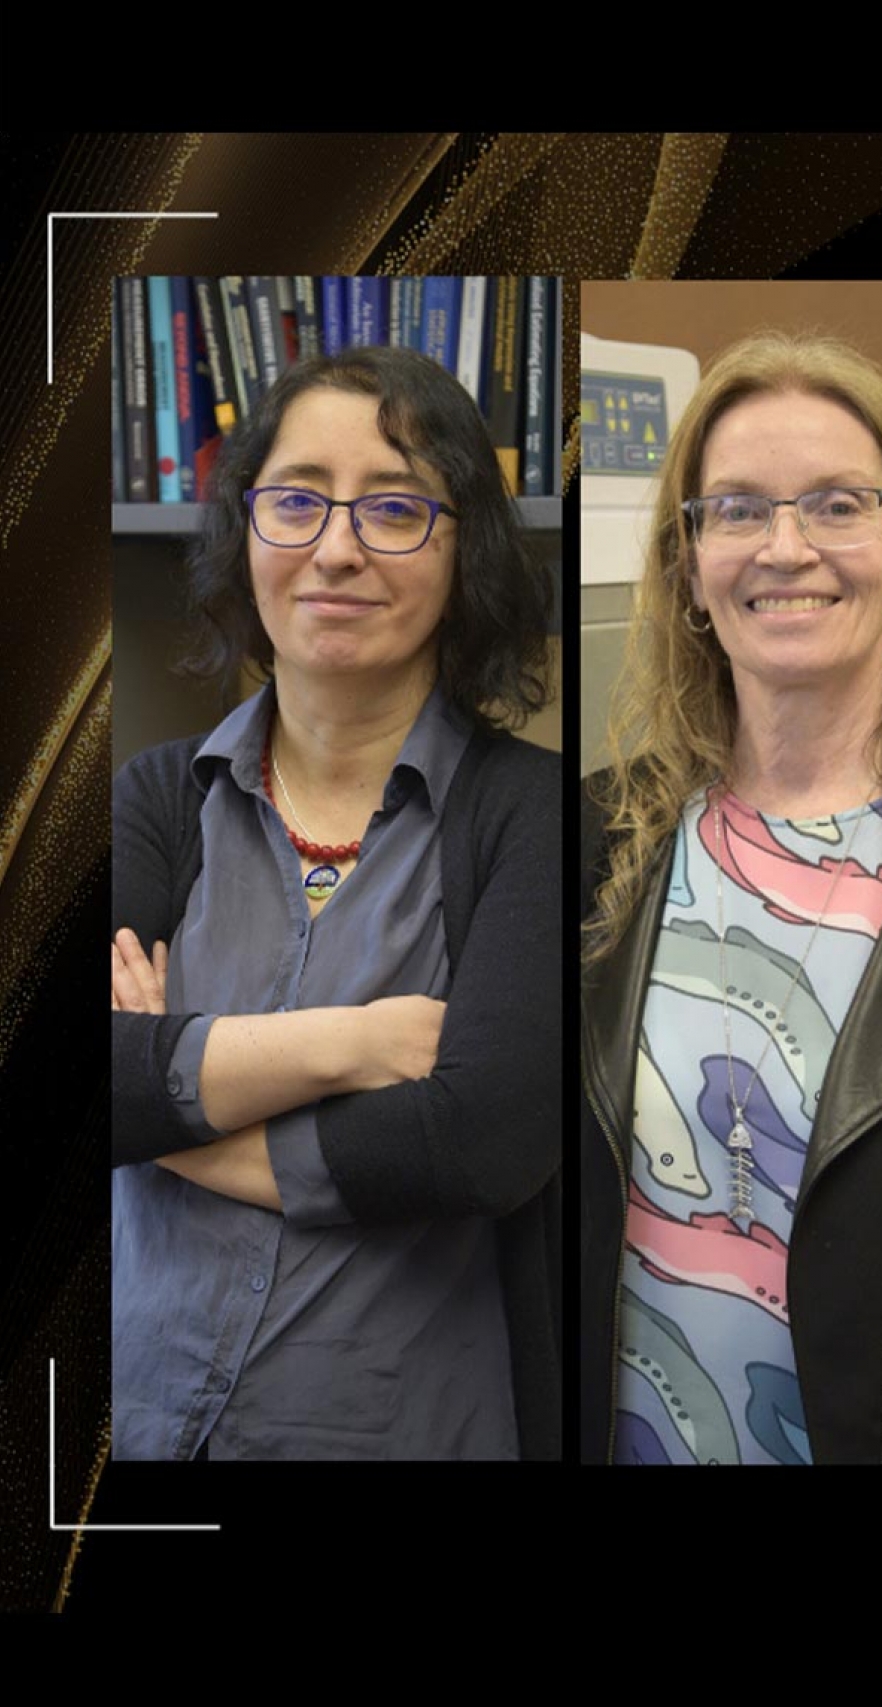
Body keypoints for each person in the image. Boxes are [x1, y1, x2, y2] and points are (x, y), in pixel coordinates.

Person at [109, 343, 561, 1461]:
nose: (337, 550)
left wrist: (164, 1112)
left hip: (402, 1430)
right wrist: (359, 1044)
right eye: (297, 501)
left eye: (396, 508)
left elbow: (481, 1141)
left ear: (467, 551)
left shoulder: (533, 811)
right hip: (138, 1426)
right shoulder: (156, 797)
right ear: (247, 529)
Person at [580, 332, 882, 1465]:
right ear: (688, 565)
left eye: (836, 504)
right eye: (735, 510)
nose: (785, 547)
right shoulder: (590, 840)